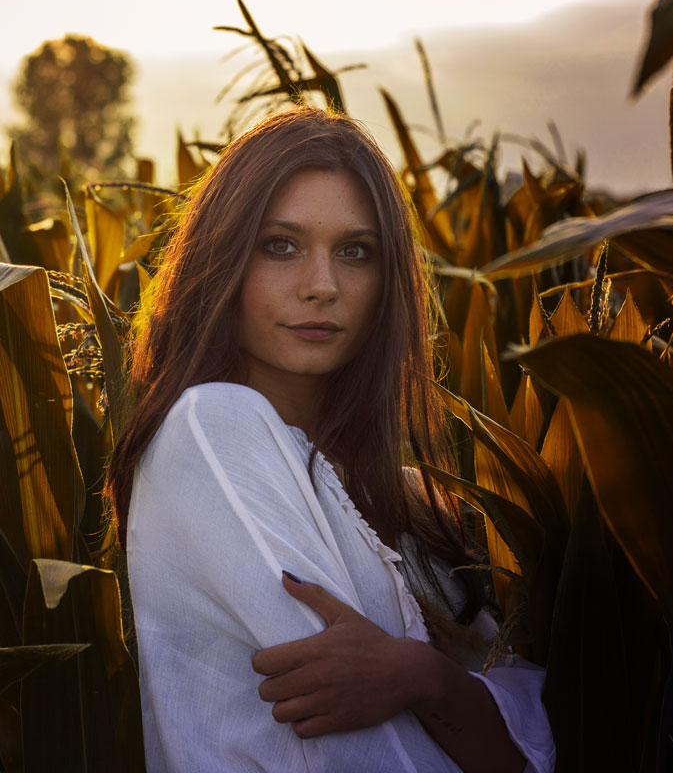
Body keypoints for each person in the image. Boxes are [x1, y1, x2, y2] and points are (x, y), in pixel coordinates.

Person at [106, 106, 555, 772]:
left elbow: (531, 737)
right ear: (224, 258)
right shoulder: (212, 426)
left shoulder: (406, 501)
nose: (322, 287)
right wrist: (439, 689)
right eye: (280, 246)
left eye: (355, 252)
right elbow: (369, 753)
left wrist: (422, 676)